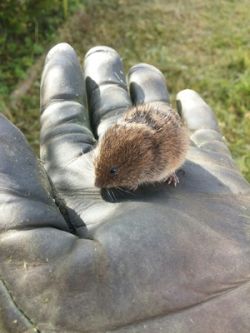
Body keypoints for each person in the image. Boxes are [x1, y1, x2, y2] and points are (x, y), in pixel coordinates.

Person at [0, 43, 249, 333]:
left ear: (138, 162)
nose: (99, 183)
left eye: (113, 173)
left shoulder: (153, 160)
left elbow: (154, 168)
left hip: (166, 147)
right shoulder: (117, 137)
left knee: (168, 165)